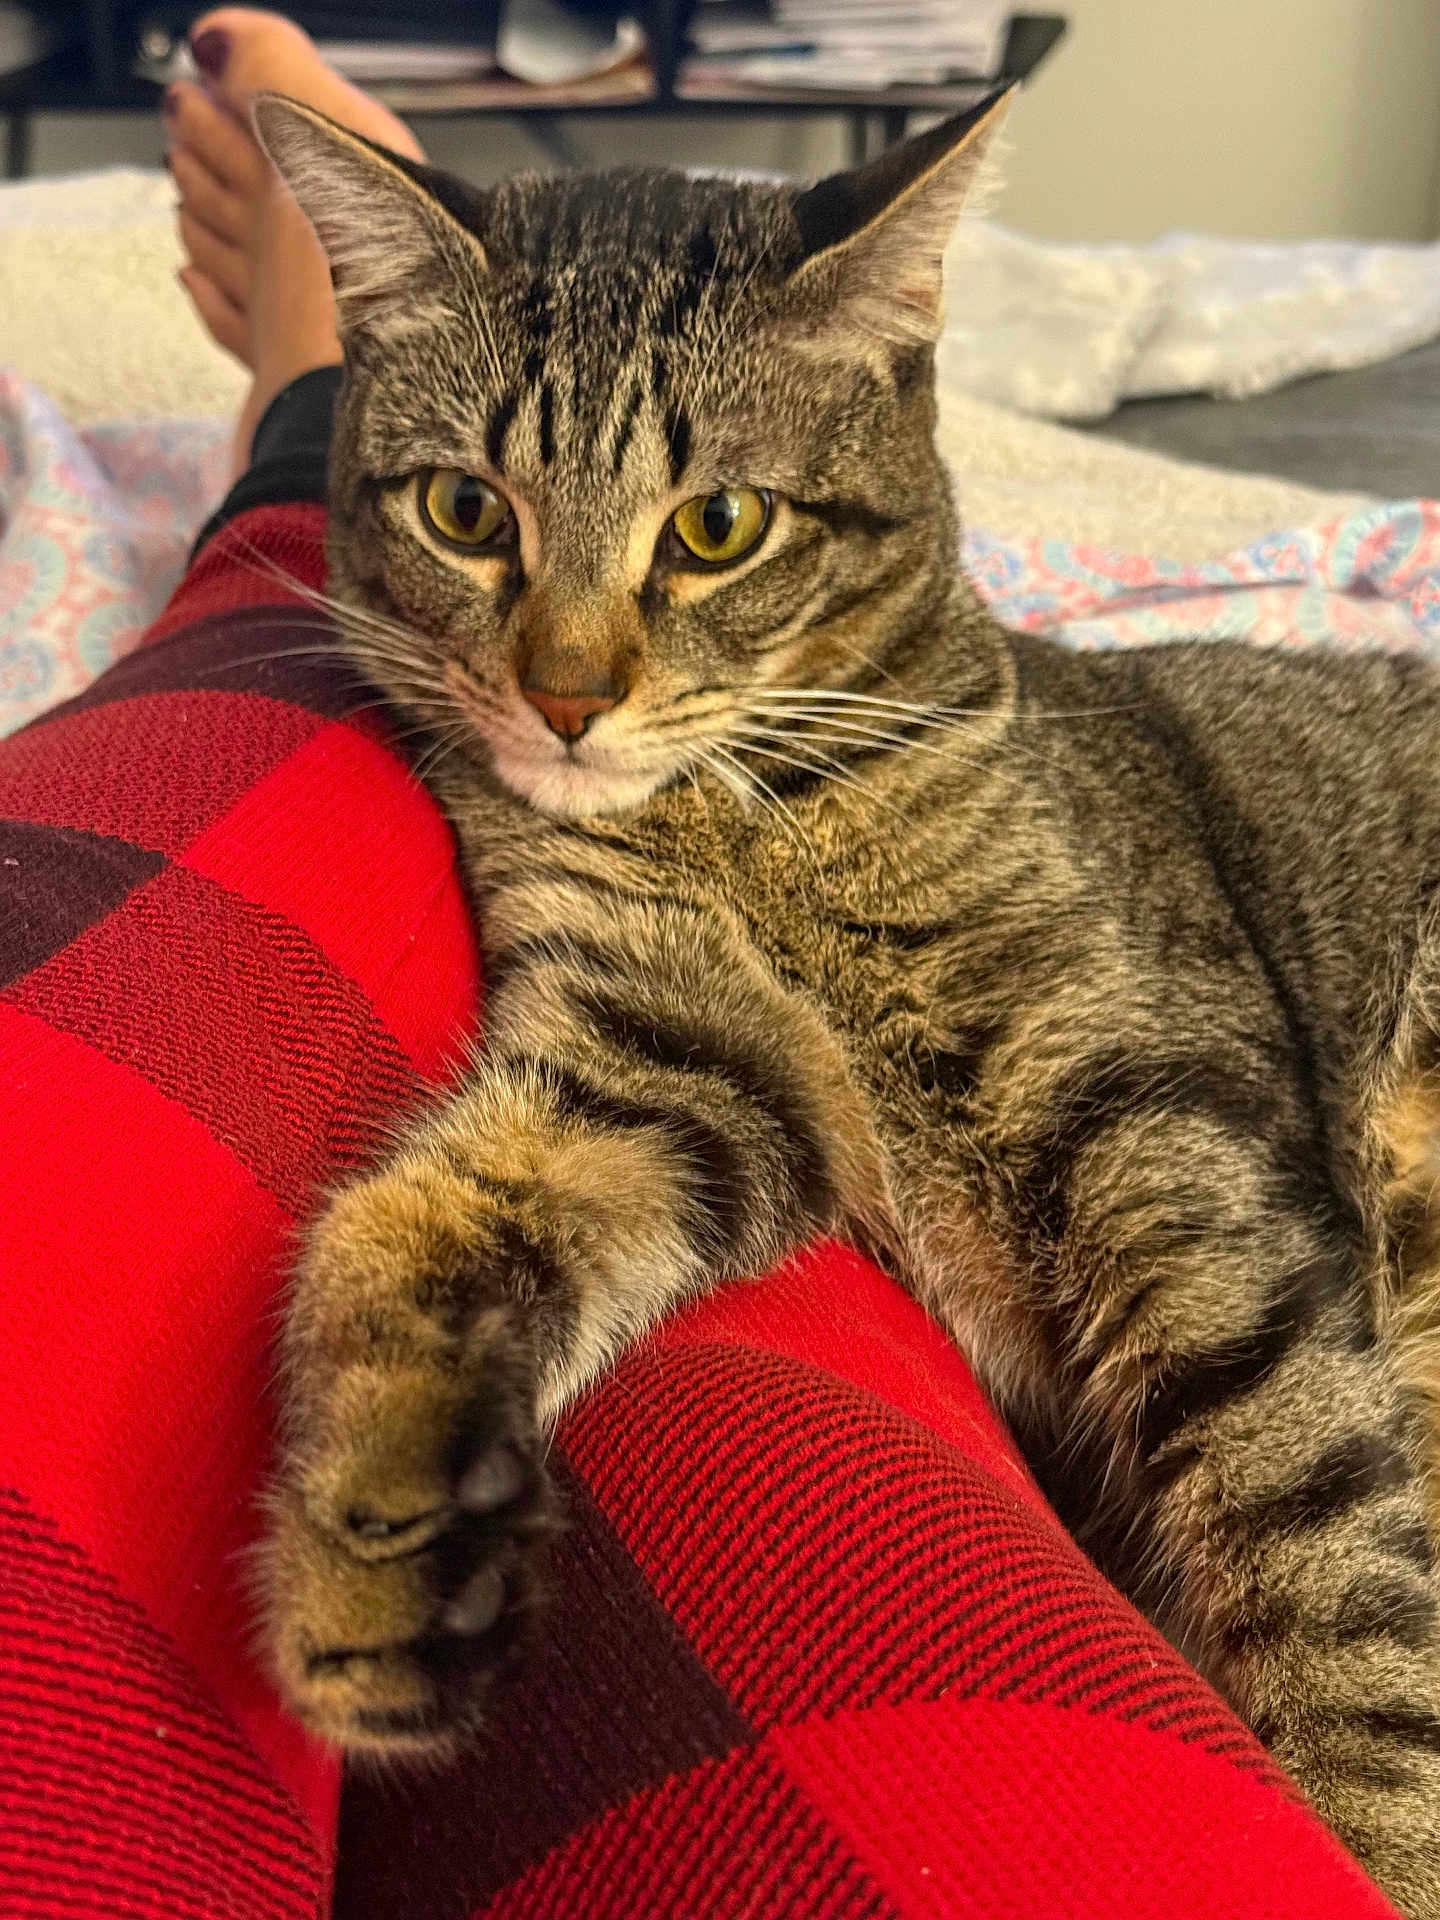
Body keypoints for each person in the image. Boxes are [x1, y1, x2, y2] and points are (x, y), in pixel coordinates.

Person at [0, 19, 1403, 1914]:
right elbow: (674, 1089)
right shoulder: (526, 733)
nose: (571, 672)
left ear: (891, 380)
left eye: (714, 529)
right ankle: (325, 432)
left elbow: (1222, 1265)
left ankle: (302, 439)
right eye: (475, 517)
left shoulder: (950, 770)